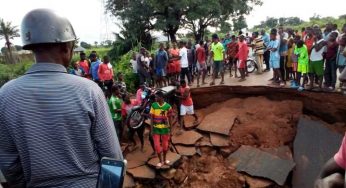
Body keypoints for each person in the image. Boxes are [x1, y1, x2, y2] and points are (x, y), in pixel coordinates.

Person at [0, 9, 122, 187]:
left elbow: (8, 163)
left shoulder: (5, 95)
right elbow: (112, 156)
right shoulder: (89, 91)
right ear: (66, 48)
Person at [150, 91, 173, 168]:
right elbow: (151, 118)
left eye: (157, 97)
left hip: (165, 129)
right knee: (157, 146)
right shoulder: (153, 105)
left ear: (161, 97)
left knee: (165, 146)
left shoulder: (168, 107)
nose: (155, 98)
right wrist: (151, 129)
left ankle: (165, 159)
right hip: (156, 129)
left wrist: (171, 130)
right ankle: (160, 161)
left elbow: (170, 119)